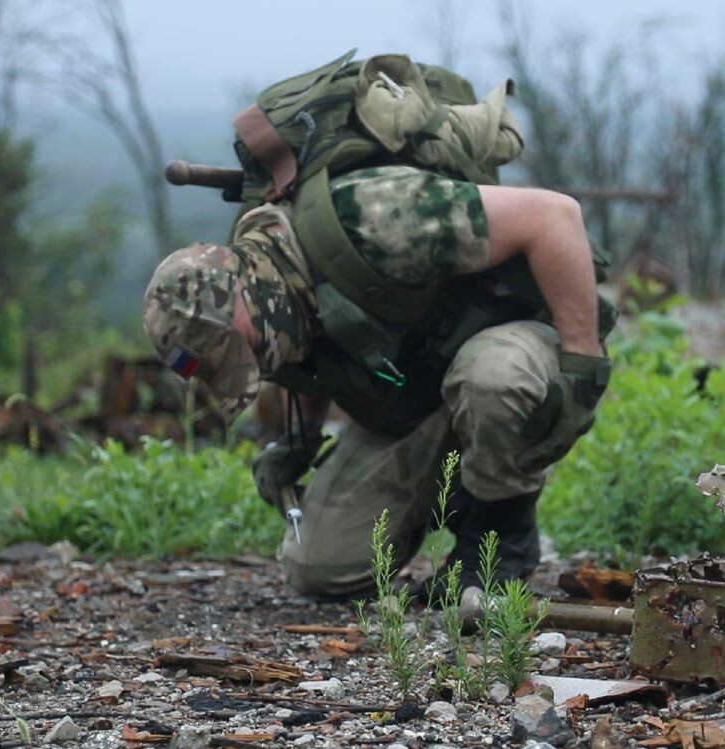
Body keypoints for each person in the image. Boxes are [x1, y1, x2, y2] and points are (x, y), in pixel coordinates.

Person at [142, 161, 616, 599]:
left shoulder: (374, 216)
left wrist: (583, 364)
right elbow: (308, 361)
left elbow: (553, 216)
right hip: (415, 393)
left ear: (239, 294)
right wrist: (299, 441)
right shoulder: (272, 304)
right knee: (319, 567)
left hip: (524, 338)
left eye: (239, 351)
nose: (250, 364)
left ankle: (499, 541)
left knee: (492, 378)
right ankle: (459, 493)